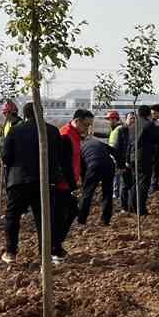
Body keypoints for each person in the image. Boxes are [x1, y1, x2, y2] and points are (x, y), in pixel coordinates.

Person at [1, 103, 66, 263]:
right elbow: (59, 156)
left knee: (12, 216)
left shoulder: (15, 131)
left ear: (24, 114)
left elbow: (5, 156)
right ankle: (45, 253)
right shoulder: (51, 131)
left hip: (18, 180)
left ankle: (11, 252)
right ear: (41, 113)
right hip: (43, 180)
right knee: (43, 217)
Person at [53, 110, 90, 260]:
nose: (87, 129)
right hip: (60, 185)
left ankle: (56, 246)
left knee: (69, 212)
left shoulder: (75, 136)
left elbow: (77, 159)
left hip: (67, 184)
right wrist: (72, 185)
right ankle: (54, 247)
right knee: (65, 214)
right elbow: (63, 164)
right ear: (77, 121)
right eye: (86, 125)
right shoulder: (65, 135)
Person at [127, 105, 159, 216]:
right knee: (143, 183)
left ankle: (132, 206)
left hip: (132, 156)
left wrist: (127, 158)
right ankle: (140, 209)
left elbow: (129, 143)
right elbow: (157, 138)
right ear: (148, 114)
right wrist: (157, 127)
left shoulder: (133, 125)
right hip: (144, 157)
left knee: (134, 182)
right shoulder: (149, 125)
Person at [79, 130, 117, 226]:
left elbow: (83, 169)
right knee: (107, 193)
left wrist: (84, 183)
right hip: (109, 165)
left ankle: (82, 220)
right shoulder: (98, 142)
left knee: (87, 193)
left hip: (94, 165)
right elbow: (114, 151)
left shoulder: (80, 148)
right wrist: (121, 165)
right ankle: (105, 220)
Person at [114, 112, 135, 212]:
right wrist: (120, 164)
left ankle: (132, 206)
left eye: (134, 118)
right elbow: (117, 148)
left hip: (135, 163)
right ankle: (124, 207)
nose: (132, 120)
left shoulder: (137, 131)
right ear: (126, 119)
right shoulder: (122, 131)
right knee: (125, 185)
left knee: (134, 185)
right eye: (130, 118)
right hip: (124, 163)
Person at [105, 111, 124, 200]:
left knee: (117, 175)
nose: (109, 121)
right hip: (112, 154)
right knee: (114, 175)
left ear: (116, 119)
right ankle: (116, 193)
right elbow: (107, 136)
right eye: (109, 119)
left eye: (111, 119)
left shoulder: (120, 128)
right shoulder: (113, 129)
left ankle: (117, 194)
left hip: (117, 155)